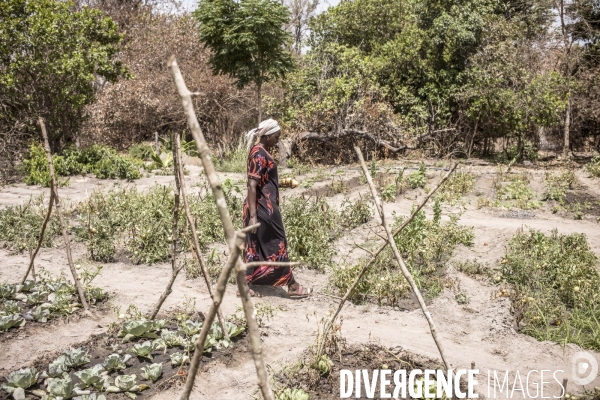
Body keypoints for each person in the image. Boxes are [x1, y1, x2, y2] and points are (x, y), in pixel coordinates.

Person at [241, 118, 312, 298]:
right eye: (276, 137)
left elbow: (263, 181)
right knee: (277, 243)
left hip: (264, 207)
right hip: (263, 209)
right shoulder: (258, 153)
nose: (278, 140)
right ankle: (293, 286)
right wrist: (253, 217)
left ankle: (245, 285)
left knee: (256, 244)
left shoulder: (262, 151)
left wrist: (281, 183)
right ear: (268, 135)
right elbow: (251, 185)